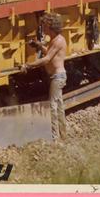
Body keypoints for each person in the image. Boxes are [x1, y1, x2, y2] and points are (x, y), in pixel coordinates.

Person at [21, 12, 67, 140]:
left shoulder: (58, 41)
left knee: (52, 106)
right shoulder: (56, 40)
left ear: (51, 26)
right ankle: (63, 135)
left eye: (46, 26)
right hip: (58, 76)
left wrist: (29, 65)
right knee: (59, 106)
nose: (44, 28)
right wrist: (39, 45)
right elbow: (50, 53)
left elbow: (47, 59)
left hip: (57, 77)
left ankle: (55, 138)